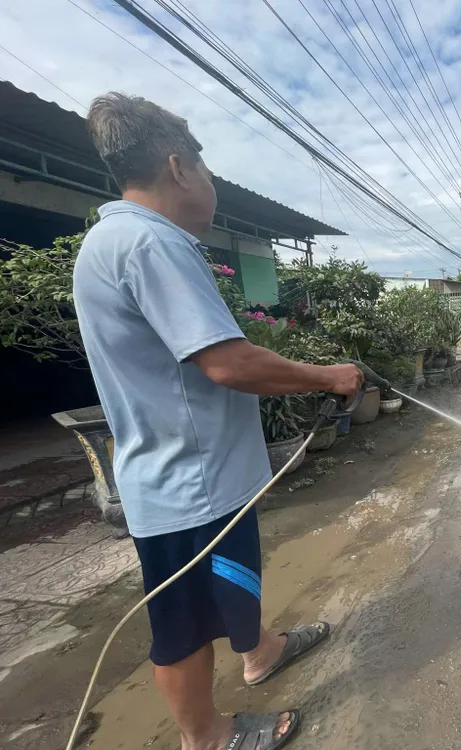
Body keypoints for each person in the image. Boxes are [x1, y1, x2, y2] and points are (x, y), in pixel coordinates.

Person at [73, 93, 363, 750]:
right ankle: (205, 736)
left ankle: (260, 649)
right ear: (178, 167)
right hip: (186, 487)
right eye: (203, 166)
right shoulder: (150, 243)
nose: (208, 182)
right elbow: (230, 364)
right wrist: (329, 376)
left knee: (231, 577)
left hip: (193, 476)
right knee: (182, 625)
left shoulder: (114, 239)